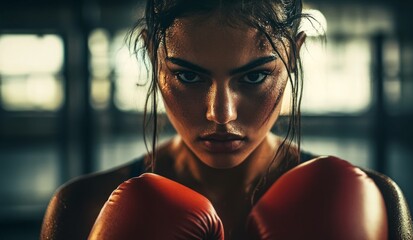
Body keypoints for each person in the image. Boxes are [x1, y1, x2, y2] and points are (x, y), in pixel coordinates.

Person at [40, 0, 389, 239]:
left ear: (294, 56)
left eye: (253, 77)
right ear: (151, 55)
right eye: (189, 77)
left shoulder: (379, 202)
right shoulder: (82, 206)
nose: (221, 114)